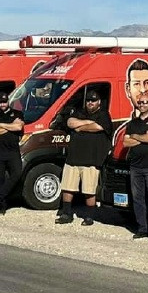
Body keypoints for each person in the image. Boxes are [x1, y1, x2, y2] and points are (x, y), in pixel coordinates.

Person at [56, 91, 112, 226]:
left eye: (93, 100)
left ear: (99, 102)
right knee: (67, 188)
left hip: (92, 160)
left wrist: (80, 127)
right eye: (88, 101)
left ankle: (89, 216)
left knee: (89, 191)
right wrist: (88, 122)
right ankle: (66, 214)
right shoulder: (79, 112)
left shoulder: (104, 115)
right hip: (73, 158)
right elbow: (70, 122)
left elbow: (98, 127)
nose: (90, 103)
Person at [123, 95, 148, 242]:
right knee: (137, 198)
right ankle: (142, 229)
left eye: (145, 102)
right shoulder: (132, 123)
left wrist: (135, 136)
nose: (142, 105)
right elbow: (125, 143)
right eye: (140, 102)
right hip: (135, 166)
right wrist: (143, 137)